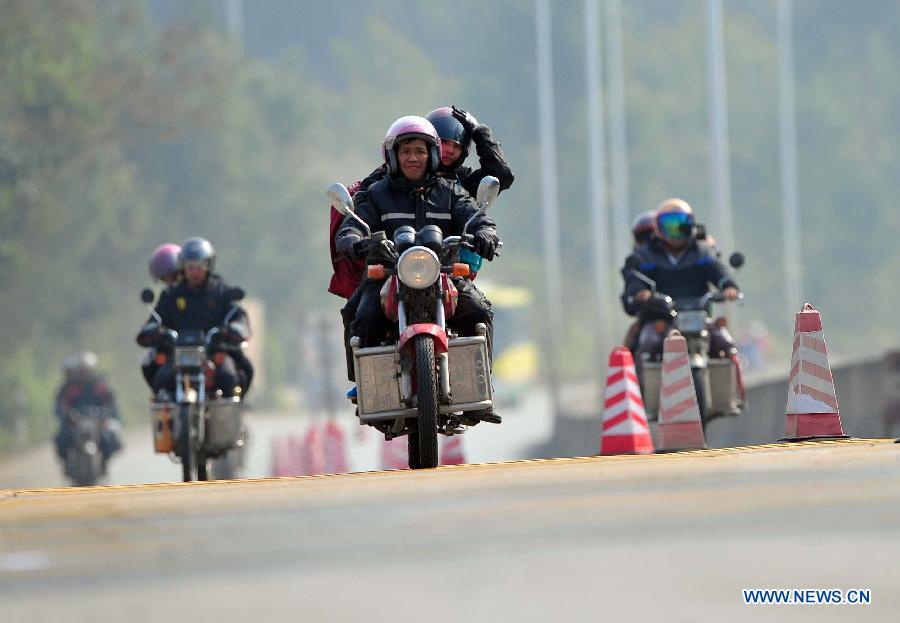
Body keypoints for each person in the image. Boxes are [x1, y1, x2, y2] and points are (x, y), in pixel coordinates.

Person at [331, 106, 515, 387]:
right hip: (388, 272)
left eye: (420, 151)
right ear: (393, 156)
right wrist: (351, 239)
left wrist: (486, 233)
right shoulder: (377, 192)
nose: (413, 158)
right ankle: (366, 386)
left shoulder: (452, 190)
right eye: (406, 152)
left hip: (445, 272)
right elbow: (354, 222)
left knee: (479, 309)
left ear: (431, 154)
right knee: (360, 314)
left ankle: (480, 382)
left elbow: (476, 217)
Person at [621, 198, 739, 362]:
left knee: (724, 342)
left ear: (691, 223)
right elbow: (635, 281)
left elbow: (718, 271)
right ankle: (642, 384)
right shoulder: (646, 255)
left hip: (699, 317)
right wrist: (641, 294)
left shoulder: (702, 251)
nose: (676, 231)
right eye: (670, 225)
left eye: (681, 224)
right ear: (657, 227)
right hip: (662, 319)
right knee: (649, 342)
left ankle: (730, 386)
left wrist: (729, 286)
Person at [136, 237, 253, 398]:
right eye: (190, 266)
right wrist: (154, 331)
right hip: (178, 356)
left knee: (229, 377)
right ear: (182, 266)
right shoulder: (171, 295)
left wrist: (233, 329)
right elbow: (156, 320)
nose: (194, 271)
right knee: (160, 380)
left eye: (200, 266)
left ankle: (230, 414)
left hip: (214, 353)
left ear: (209, 265)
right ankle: (165, 416)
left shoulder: (221, 291)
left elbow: (238, 318)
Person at [54, 351, 122, 471]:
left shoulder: (99, 386)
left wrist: (105, 414)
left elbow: (111, 402)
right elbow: (61, 404)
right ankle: (67, 465)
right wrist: (68, 415)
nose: (85, 374)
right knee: (62, 439)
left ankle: (104, 463)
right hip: (75, 423)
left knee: (108, 438)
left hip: (96, 422)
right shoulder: (71, 387)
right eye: (82, 371)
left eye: (87, 371)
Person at [140, 243, 181, 388]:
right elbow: (157, 317)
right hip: (175, 351)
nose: (170, 281)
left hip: (203, 348)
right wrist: (154, 331)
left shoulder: (205, 290)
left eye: (174, 275)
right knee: (149, 361)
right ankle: (163, 398)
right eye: (165, 278)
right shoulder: (167, 296)